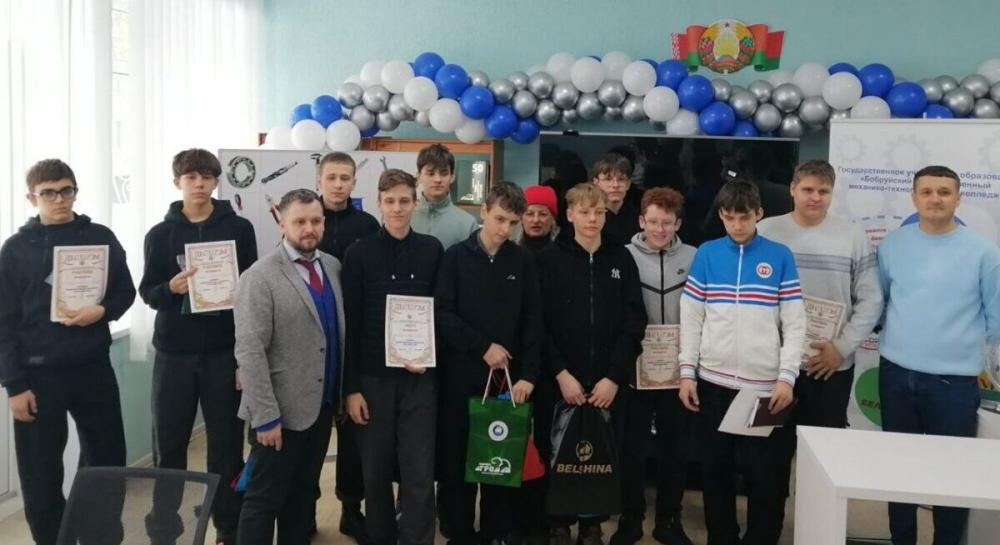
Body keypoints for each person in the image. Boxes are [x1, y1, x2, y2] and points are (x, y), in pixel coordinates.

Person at [0, 159, 136, 545]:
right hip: (37, 376)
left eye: (66, 190)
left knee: (107, 460)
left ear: (75, 192)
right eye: (48, 193)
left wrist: (102, 311)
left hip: (93, 368)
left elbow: (124, 291)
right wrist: (14, 385)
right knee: (40, 472)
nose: (59, 199)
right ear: (32, 198)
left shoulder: (100, 237)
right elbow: (3, 322)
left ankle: (100, 537)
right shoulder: (15, 250)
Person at [138, 148, 256, 545]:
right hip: (174, 353)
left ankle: (227, 527)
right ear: (177, 182)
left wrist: (244, 357)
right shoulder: (160, 234)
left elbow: (252, 291)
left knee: (226, 445)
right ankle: (164, 530)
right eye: (191, 177)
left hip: (224, 352)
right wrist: (170, 289)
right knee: (169, 445)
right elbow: (148, 292)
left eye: (207, 177)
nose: (199, 184)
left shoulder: (239, 229)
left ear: (216, 181)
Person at [876, 165, 1000, 545]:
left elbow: (996, 319)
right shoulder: (892, 246)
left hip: (954, 383)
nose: (935, 199)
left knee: (952, 477)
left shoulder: (984, 253)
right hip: (895, 375)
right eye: (927, 192)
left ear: (958, 198)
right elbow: (881, 304)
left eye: (944, 192)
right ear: (913, 198)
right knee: (899, 474)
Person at [678, 179, 806, 545]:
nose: (737, 225)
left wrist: (786, 378)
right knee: (715, 472)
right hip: (713, 384)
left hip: (765, 388)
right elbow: (692, 317)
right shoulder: (707, 254)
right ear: (721, 215)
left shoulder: (780, 255)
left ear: (759, 214)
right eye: (730, 217)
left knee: (766, 476)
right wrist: (687, 373)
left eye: (745, 217)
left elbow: (795, 323)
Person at [536, 183, 647, 545]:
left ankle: (592, 524)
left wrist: (614, 376)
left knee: (600, 455)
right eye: (584, 212)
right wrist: (560, 373)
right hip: (560, 380)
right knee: (557, 452)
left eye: (598, 212)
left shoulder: (621, 258)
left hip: (607, 382)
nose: (592, 219)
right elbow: (537, 323)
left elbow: (635, 321)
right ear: (569, 214)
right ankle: (557, 523)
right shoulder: (548, 260)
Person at [233, 189, 345, 545]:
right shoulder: (260, 276)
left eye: (315, 221)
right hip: (279, 415)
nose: (308, 228)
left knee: (301, 497)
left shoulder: (333, 266)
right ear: (282, 223)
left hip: (322, 409)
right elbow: (250, 351)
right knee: (263, 499)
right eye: (299, 221)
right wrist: (266, 417)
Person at [435, 181, 544, 545]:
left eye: (512, 222)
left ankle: (497, 532)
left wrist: (529, 375)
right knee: (457, 462)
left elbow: (533, 320)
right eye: (499, 219)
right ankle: (460, 532)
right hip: (460, 377)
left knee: (499, 459)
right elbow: (443, 313)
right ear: (483, 211)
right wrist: (482, 347)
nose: (504, 229)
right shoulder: (455, 257)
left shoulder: (522, 260)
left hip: (507, 382)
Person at [343, 169, 444, 545]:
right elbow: (350, 323)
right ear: (379, 204)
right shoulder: (359, 253)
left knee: (419, 471)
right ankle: (381, 537)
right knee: (375, 472)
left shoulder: (432, 250)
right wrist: (351, 388)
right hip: (372, 379)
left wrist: (429, 357)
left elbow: (441, 313)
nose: (397, 208)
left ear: (416, 203)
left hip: (420, 378)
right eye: (390, 201)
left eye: (404, 201)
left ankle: (418, 539)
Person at [757, 160, 883, 429]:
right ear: (792, 189)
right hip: (772, 362)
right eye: (807, 189)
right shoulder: (765, 231)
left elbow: (871, 299)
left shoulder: (852, 235)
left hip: (828, 364)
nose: (815, 197)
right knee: (771, 444)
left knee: (822, 443)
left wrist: (841, 348)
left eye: (823, 191)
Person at [614, 188, 696, 545]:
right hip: (635, 369)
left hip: (679, 371)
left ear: (678, 223)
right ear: (641, 221)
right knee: (631, 447)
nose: (659, 229)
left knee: (675, 448)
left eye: (667, 222)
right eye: (653, 222)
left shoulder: (694, 257)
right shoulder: (623, 255)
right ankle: (630, 518)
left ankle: (669, 519)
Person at [314, 151, 378, 541]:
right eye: (331, 177)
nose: (338, 184)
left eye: (345, 178)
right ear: (319, 180)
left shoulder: (367, 225)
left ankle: (351, 509)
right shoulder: (307, 218)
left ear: (354, 182)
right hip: (313, 340)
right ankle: (303, 509)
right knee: (309, 432)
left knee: (354, 434)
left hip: (353, 338)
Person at [411, 143, 478, 250]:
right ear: (419, 176)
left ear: (452, 176)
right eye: (431, 173)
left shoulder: (468, 223)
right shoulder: (406, 219)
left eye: (444, 173)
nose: (438, 179)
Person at [592, 153, 642, 246]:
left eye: (621, 179)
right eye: (608, 179)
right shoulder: (588, 219)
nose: (615, 185)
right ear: (596, 182)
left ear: (628, 184)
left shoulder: (640, 218)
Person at [517, 185, 560, 254]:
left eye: (543, 214)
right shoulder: (509, 255)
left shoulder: (564, 256)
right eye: (530, 214)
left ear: (553, 219)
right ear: (521, 218)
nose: (536, 220)